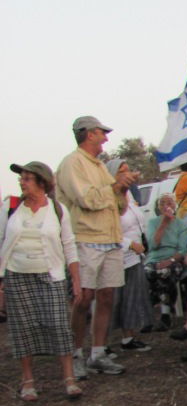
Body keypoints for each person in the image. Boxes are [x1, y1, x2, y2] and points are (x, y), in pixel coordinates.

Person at [56, 115, 138, 377]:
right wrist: (115, 186)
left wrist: (122, 190)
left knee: (106, 297)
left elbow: (119, 207)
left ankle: (98, 354)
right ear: (89, 134)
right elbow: (86, 199)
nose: (106, 138)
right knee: (83, 298)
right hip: (86, 238)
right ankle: (77, 354)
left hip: (110, 239)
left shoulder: (101, 166)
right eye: (102, 132)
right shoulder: (72, 164)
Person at [0, 162, 83, 401]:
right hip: (17, 275)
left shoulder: (57, 209)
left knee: (58, 325)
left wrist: (76, 280)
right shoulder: (11, 206)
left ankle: (69, 379)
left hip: (51, 274)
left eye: (27, 179)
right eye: (22, 178)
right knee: (23, 329)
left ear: (42, 183)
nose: (21, 183)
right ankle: (28, 381)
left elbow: (69, 244)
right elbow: (1, 241)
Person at [106, 159, 151, 352]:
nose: (127, 174)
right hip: (117, 255)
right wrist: (130, 244)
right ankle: (102, 344)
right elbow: (107, 230)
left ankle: (128, 338)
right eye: (121, 171)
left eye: (127, 170)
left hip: (134, 256)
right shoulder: (108, 199)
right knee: (112, 301)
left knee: (130, 297)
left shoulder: (129, 196)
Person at [145, 193, 187, 330]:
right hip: (154, 258)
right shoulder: (153, 223)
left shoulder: (181, 224)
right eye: (162, 203)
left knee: (164, 272)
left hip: (173, 258)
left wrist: (169, 260)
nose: (166, 206)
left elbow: (182, 250)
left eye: (169, 203)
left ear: (174, 205)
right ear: (158, 207)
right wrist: (163, 223)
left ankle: (164, 313)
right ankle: (162, 311)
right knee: (148, 272)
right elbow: (153, 245)